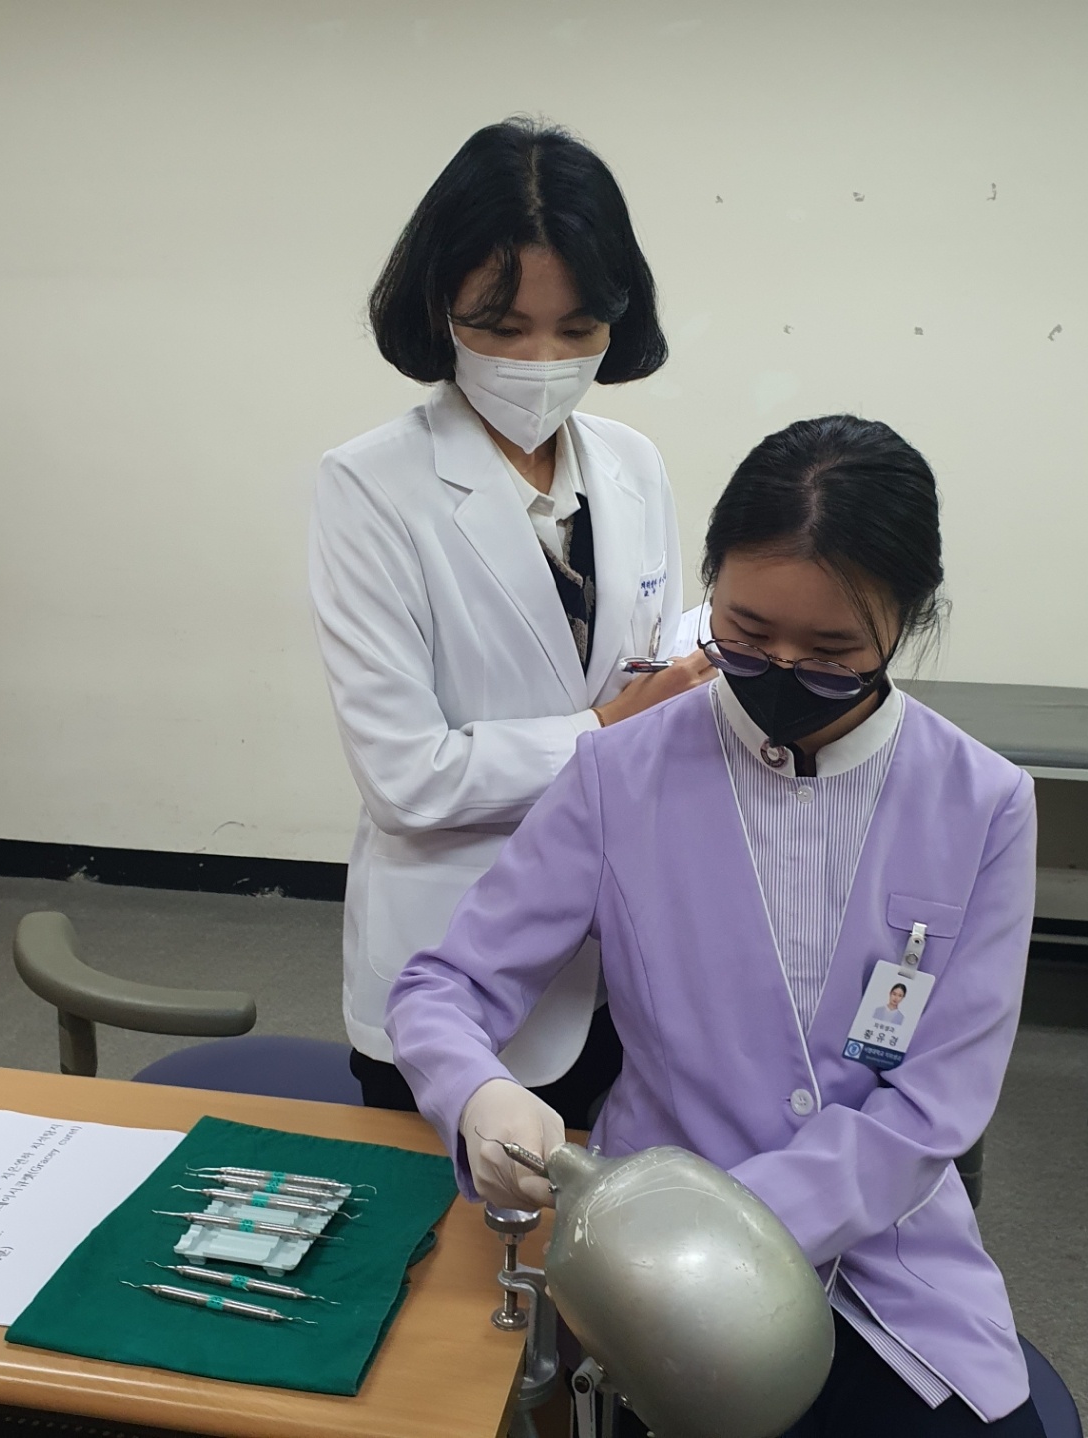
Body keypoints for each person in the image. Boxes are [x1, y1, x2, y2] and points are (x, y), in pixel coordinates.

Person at [387, 415, 1045, 1435]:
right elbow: (442, 987)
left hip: (882, 1262)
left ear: (908, 621)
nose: (780, 670)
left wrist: (739, 1220)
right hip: (651, 1272)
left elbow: (935, 1105)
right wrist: (476, 1091)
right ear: (709, 589)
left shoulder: (981, 802)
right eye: (744, 633)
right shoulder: (621, 773)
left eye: (831, 653)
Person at [310, 119, 713, 1123]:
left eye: (576, 329)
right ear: (439, 309)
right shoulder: (369, 486)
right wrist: (612, 728)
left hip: (619, 958)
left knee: (611, 1204)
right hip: (455, 965)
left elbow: (650, 663)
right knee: (448, 1218)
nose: (541, 360)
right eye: (501, 326)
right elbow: (409, 779)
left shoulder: (632, 464)